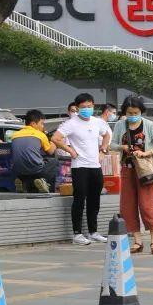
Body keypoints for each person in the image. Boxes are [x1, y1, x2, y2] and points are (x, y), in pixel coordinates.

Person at [53, 92, 111, 245]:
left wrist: (103, 150)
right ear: (77, 108)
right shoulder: (71, 123)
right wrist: (71, 150)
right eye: (83, 107)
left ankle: (93, 232)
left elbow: (106, 136)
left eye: (89, 106)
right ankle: (77, 233)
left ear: (93, 106)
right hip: (80, 166)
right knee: (80, 199)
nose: (87, 109)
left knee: (95, 199)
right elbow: (55, 138)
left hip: (95, 165)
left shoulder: (97, 121)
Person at [111, 95, 153, 254]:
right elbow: (112, 145)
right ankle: (137, 240)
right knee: (128, 204)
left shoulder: (148, 125)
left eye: (136, 112)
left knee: (147, 204)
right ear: (125, 112)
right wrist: (122, 147)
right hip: (127, 168)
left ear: (141, 111)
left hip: (146, 170)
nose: (133, 115)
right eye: (129, 112)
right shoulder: (120, 125)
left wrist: (146, 152)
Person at [9, 109, 58, 193]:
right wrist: (54, 142)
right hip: (36, 170)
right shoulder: (40, 134)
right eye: (41, 124)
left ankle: (22, 181)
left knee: (29, 163)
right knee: (54, 162)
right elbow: (50, 151)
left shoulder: (15, 135)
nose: (43, 126)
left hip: (17, 170)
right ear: (33, 124)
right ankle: (44, 181)